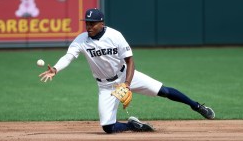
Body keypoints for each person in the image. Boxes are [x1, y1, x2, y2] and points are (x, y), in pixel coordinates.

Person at [39, 8, 215, 134]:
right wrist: (55, 68)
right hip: (106, 87)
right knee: (108, 127)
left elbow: (130, 61)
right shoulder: (81, 40)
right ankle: (133, 125)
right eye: (87, 23)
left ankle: (197, 106)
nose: (89, 26)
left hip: (126, 75)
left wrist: (127, 84)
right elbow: (68, 57)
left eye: (92, 23)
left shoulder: (115, 35)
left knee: (164, 91)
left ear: (102, 23)